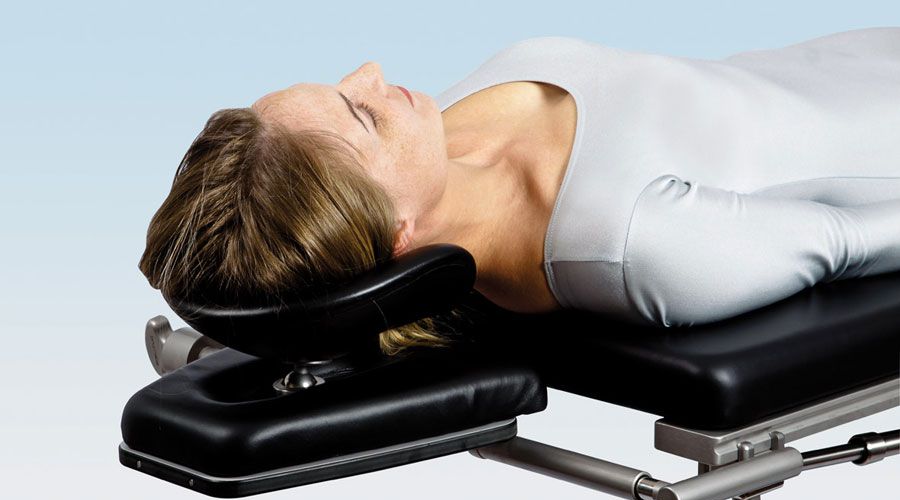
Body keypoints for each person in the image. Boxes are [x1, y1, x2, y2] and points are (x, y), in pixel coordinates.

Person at [140, 27, 900, 356]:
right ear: (398, 232)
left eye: (342, 87)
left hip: (853, 53)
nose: (372, 74)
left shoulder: (432, 143)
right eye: (361, 115)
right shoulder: (631, 245)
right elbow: (849, 243)